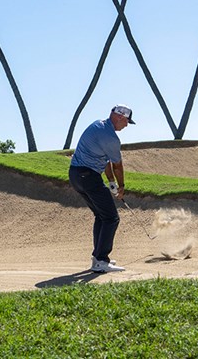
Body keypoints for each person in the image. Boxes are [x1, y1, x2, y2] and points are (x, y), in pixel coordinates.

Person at [69, 104, 134, 273]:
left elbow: (105, 162)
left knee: (101, 215)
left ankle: (98, 257)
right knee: (112, 218)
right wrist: (121, 187)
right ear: (120, 117)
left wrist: (110, 181)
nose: (126, 125)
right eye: (127, 121)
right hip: (88, 176)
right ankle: (100, 261)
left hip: (76, 175)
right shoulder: (111, 137)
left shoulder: (98, 125)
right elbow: (117, 165)